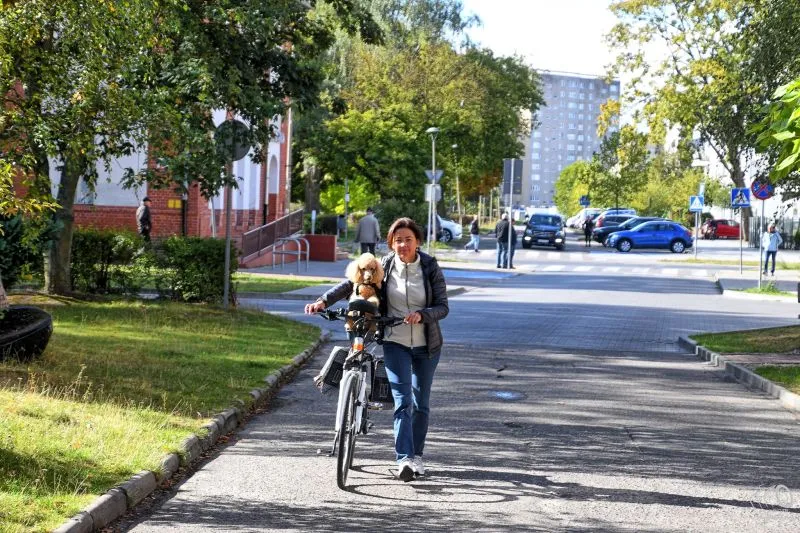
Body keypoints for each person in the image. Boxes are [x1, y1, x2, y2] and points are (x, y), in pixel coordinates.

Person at [304, 217, 448, 482]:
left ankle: (416, 456)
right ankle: (404, 459)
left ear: (417, 241)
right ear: (391, 243)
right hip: (395, 341)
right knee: (403, 401)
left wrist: (423, 315)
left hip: (427, 346)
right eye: (398, 240)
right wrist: (323, 301)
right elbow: (352, 284)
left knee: (421, 405)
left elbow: (443, 306)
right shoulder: (385, 265)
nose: (403, 245)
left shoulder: (429, 266)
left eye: (408, 239)